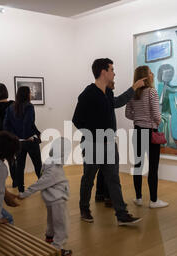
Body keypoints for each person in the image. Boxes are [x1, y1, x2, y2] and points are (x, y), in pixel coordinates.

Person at [72, 58, 142, 226]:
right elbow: (77, 119)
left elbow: (117, 102)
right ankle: (84, 209)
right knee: (88, 179)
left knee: (113, 179)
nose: (114, 72)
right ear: (103, 72)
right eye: (112, 69)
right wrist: (92, 136)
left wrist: (133, 88)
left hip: (110, 144)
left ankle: (121, 214)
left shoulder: (108, 93)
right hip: (93, 145)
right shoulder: (88, 94)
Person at [95, 78, 146, 207]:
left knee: (102, 168)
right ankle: (110, 198)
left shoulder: (99, 94)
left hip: (101, 137)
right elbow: (118, 102)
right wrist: (134, 87)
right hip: (105, 138)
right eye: (112, 77)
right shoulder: (106, 94)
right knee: (111, 171)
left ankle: (100, 194)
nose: (115, 80)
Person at [18, 137, 72, 256]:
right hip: (58, 199)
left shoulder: (49, 162)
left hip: (50, 198)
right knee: (62, 224)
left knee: (52, 219)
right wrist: (24, 194)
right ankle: (57, 248)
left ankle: (50, 236)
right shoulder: (54, 169)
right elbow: (40, 183)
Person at [125, 65, 168, 208]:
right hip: (150, 133)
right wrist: (158, 121)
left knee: (138, 166)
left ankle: (138, 198)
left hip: (137, 131)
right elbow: (156, 115)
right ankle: (154, 201)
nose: (153, 74)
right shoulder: (152, 92)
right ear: (145, 77)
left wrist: (138, 118)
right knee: (153, 167)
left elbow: (127, 114)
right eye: (150, 72)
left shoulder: (133, 93)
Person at [4, 86, 42, 194]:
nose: (31, 94)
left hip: (18, 142)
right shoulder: (29, 107)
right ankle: (44, 187)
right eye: (30, 92)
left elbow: (6, 126)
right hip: (29, 141)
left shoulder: (10, 108)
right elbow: (27, 123)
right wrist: (27, 136)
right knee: (38, 165)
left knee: (20, 166)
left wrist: (17, 137)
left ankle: (21, 190)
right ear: (26, 94)